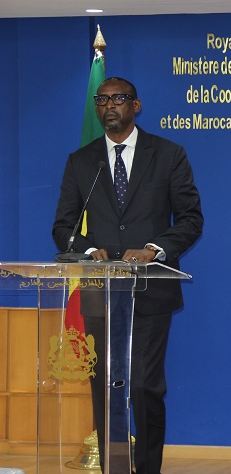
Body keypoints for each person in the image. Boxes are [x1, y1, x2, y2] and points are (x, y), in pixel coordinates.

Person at [53, 77, 203, 474]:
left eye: (118, 98)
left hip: (150, 290)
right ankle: (113, 467)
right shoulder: (81, 161)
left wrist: (154, 249)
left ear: (136, 106)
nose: (109, 106)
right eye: (102, 100)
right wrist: (88, 251)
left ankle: (149, 468)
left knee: (144, 387)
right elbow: (64, 227)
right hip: (100, 293)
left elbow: (190, 219)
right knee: (106, 388)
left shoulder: (168, 154)